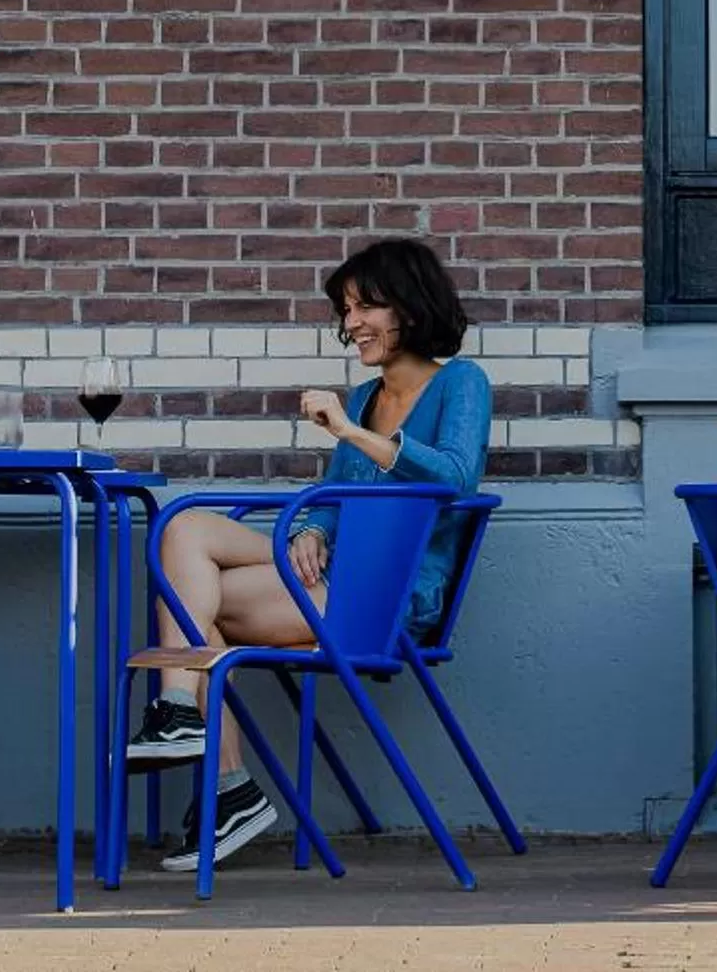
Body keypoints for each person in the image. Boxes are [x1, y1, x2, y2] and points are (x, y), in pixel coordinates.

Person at [122, 239, 491, 872]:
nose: (349, 326)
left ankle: (226, 790)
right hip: (332, 575)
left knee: (195, 611)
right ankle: (181, 714)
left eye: (362, 307)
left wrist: (352, 432)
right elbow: (332, 496)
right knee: (183, 533)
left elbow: (455, 478)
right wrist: (312, 528)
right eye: (345, 310)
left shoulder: (462, 383)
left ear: (408, 305)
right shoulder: (364, 398)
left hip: (387, 597)